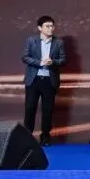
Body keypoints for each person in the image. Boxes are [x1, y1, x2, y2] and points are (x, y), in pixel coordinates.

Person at [22, 15, 66, 146]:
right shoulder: (31, 40)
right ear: (39, 28)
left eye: (52, 26)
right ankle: (27, 136)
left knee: (48, 110)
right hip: (33, 79)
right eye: (47, 26)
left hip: (49, 80)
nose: (51, 28)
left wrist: (53, 62)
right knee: (30, 108)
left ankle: (45, 136)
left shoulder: (58, 42)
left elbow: (63, 60)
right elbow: (25, 57)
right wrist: (40, 63)